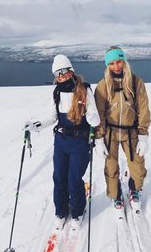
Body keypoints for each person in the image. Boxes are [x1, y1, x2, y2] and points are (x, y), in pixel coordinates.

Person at [24, 54, 100, 230]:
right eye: (58, 73)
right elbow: (52, 117)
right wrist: (36, 125)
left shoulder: (84, 89)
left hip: (79, 142)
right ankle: (60, 210)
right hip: (61, 141)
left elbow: (93, 117)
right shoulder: (56, 92)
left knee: (74, 179)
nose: (62, 75)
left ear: (71, 71)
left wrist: (92, 117)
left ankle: (78, 212)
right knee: (59, 178)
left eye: (64, 71)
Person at [94, 46, 151, 213]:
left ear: (124, 61)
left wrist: (143, 134)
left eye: (119, 61)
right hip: (110, 133)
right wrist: (98, 138)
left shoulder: (135, 81)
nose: (116, 66)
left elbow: (143, 107)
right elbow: (99, 112)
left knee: (138, 166)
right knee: (111, 167)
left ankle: (134, 190)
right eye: (111, 63)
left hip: (131, 131)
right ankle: (116, 194)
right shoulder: (103, 85)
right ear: (107, 65)